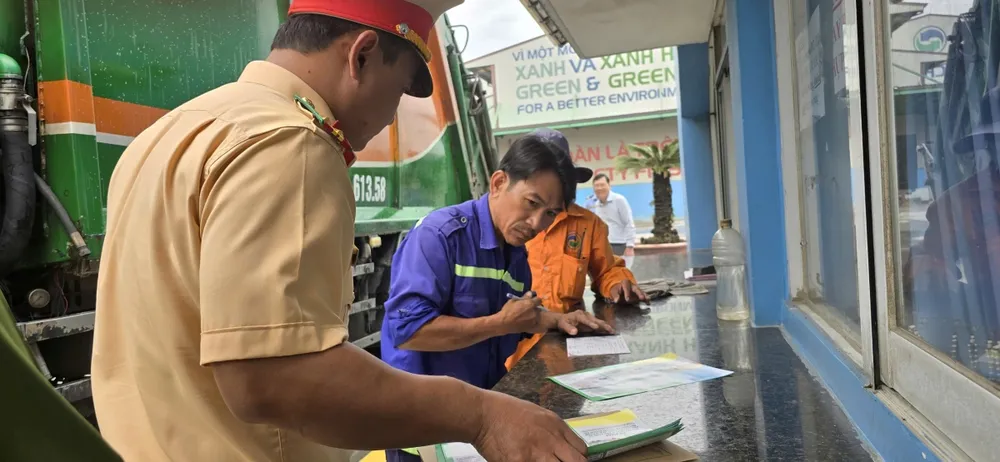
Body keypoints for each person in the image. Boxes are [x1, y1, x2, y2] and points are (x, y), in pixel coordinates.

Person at [91, 2, 589, 462]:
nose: (391, 115)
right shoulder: (290, 143)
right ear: (363, 55)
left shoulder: (166, 134)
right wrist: (480, 415)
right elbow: (273, 378)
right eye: (397, 91)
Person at [380, 135, 614, 462]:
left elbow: (515, 314)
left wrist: (557, 319)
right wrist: (497, 324)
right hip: (425, 432)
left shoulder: (515, 253)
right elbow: (409, 332)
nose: (536, 224)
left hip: (477, 423)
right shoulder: (440, 236)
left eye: (550, 214)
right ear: (499, 182)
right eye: (531, 203)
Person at [506, 129, 649, 369]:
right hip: (514, 342)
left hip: (567, 340)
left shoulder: (587, 224)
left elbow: (606, 270)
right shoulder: (511, 224)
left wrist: (618, 285)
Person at [589, 173, 638, 260]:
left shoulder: (619, 200)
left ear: (609, 185)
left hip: (619, 245)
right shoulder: (597, 204)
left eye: (602, 185)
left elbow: (628, 223)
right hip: (603, 245)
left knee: (620, 272)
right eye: (596, 186)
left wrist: (630, 246)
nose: (599, 188)